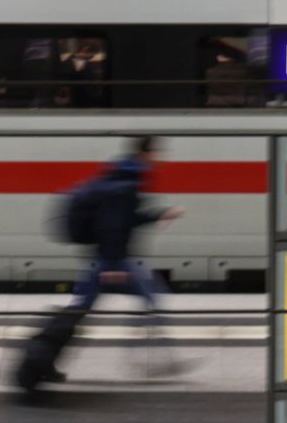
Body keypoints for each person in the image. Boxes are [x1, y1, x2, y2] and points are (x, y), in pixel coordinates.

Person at [29, 135, 182, 392]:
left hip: (105, 259)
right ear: (147, 153)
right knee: (150, 295)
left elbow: (123, 219)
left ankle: (44, 360)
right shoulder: (126, 184)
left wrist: (159, 214)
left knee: (79, 312)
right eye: (158, 151)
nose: (163, 156)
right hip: (111, 260)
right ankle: (147, 361)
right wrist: (112, 265)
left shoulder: (123, 176)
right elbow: (111, 225)